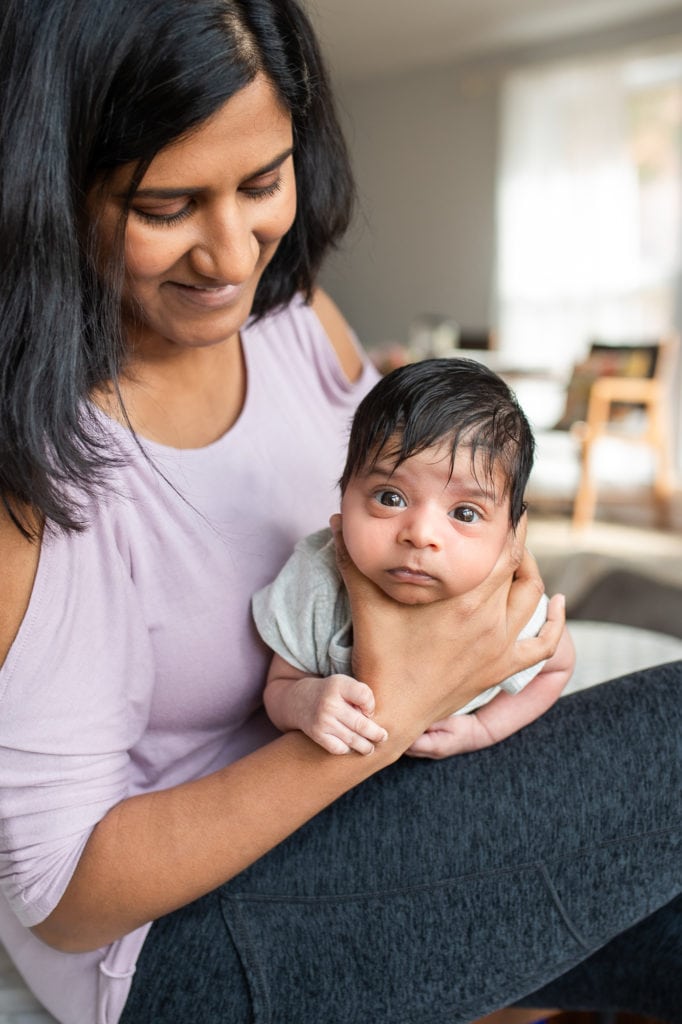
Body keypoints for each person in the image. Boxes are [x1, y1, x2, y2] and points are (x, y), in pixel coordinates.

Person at [0, 2, 678, 1023]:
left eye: (262, 183)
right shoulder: (37, 467)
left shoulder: (293, 322)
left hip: (365, 818)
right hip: (177, 945)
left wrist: (493, 565)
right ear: (51, 191)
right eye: (167, 204)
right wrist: (389, 711)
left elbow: (421, 479)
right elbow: (62, 897)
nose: (232, 253)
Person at [254, 357, 575, 757]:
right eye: (390, 498)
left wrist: (482, 729)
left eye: (465, 513)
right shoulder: (317, 578)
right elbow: (280, 685)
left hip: (456, 762)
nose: (421, 535)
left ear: (511, 532)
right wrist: (307, 703)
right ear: (343, 494)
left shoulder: (508, 606)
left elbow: (556, 667)